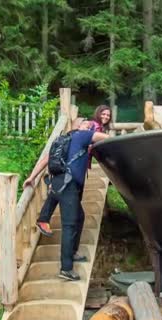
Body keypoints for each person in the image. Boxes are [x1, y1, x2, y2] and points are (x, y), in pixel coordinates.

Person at [23, 117, 109, 281]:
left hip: (58, 183)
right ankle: (66, 268)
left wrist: (32, 177)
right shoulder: (82, 135)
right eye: (87, 124)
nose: (90, 126)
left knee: (80, 217)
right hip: (68, 186)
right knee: (69, 225)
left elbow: (45, 160)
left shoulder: (64, 140)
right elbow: (106, 138)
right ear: (78, 126)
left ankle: (71, 251)